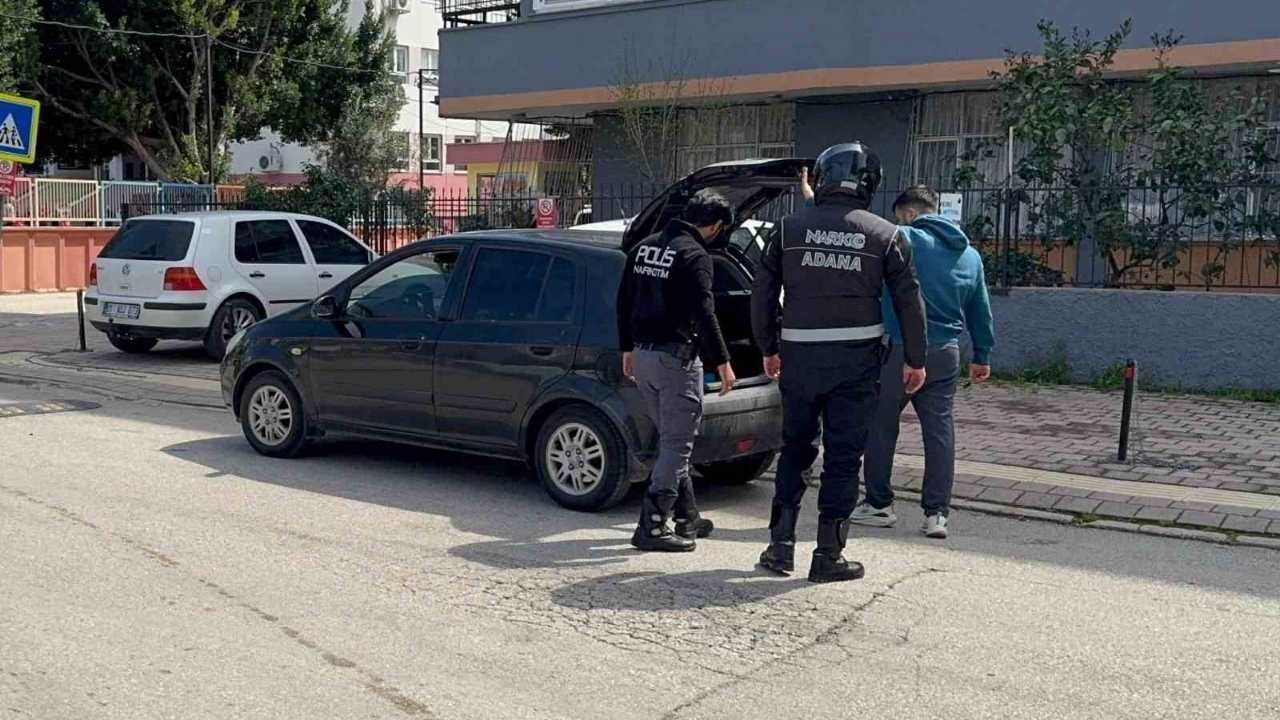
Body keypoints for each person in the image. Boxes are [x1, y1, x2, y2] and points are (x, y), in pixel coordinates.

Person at [751, 143, 928, 583]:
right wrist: (916, 359)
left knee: (795, 448)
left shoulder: (787, 229)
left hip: (799, 357)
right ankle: (828, 554)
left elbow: (762, 294)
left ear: (823, 177)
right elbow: (909, 301)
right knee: (844, 457)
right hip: (857, 362)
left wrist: (768, 348)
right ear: (869, 184)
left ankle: (779, 546)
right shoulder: (887, 235)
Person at [852, 186, 995, 539]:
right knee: (939, 431)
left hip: (900, 351)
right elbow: (980, 309)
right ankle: (937, 514)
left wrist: (815, 202)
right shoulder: (970, 255)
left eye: (899, 217)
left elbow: (858, 232)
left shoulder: (903, 238)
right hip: (946, 353)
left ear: (909, 213)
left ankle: (879, 504)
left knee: (881, 425)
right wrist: (982, 355)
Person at [617, 189, 738, 553]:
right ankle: (652, 525)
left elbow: (623, 301)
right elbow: (704, 313)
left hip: (644, 357)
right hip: (676, 361)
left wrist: (626, 348)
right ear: (715, 226)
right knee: (676, 444)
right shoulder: (695, 255)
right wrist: (723, 362)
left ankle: (688, 516)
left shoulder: (643, 248)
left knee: (671, 440)